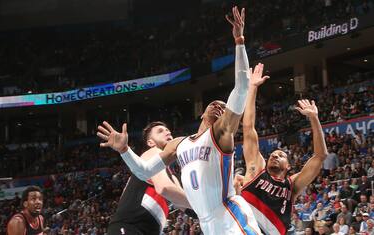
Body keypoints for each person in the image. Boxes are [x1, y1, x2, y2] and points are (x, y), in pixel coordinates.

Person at [98, 6, 262, 235]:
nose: (218, 105)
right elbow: (145, 172)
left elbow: (241, 87)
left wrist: (240, 41)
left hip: (228, 213)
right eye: (212, 103)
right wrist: (125, 150)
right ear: (202, 114)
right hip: (207, 223)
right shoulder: (179, 144)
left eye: (223, 106)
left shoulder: (221, 133)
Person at [236, 63, 328, 235]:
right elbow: (248, 127)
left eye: (281, 155)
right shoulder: (256, 169)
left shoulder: (292, 186)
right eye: (272, 154)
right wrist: (252, 89)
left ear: (288, 167)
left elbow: (320, 156)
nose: (274, 156)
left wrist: (314, 119)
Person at [98, 121, 190, 235]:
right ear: (150, 142)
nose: (167, 132)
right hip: (129, 227)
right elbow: (165, 188)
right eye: (160, 131)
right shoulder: (154, 152)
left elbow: (183, 204)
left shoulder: (171, 176)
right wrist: (201, 205)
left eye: (168, 131)